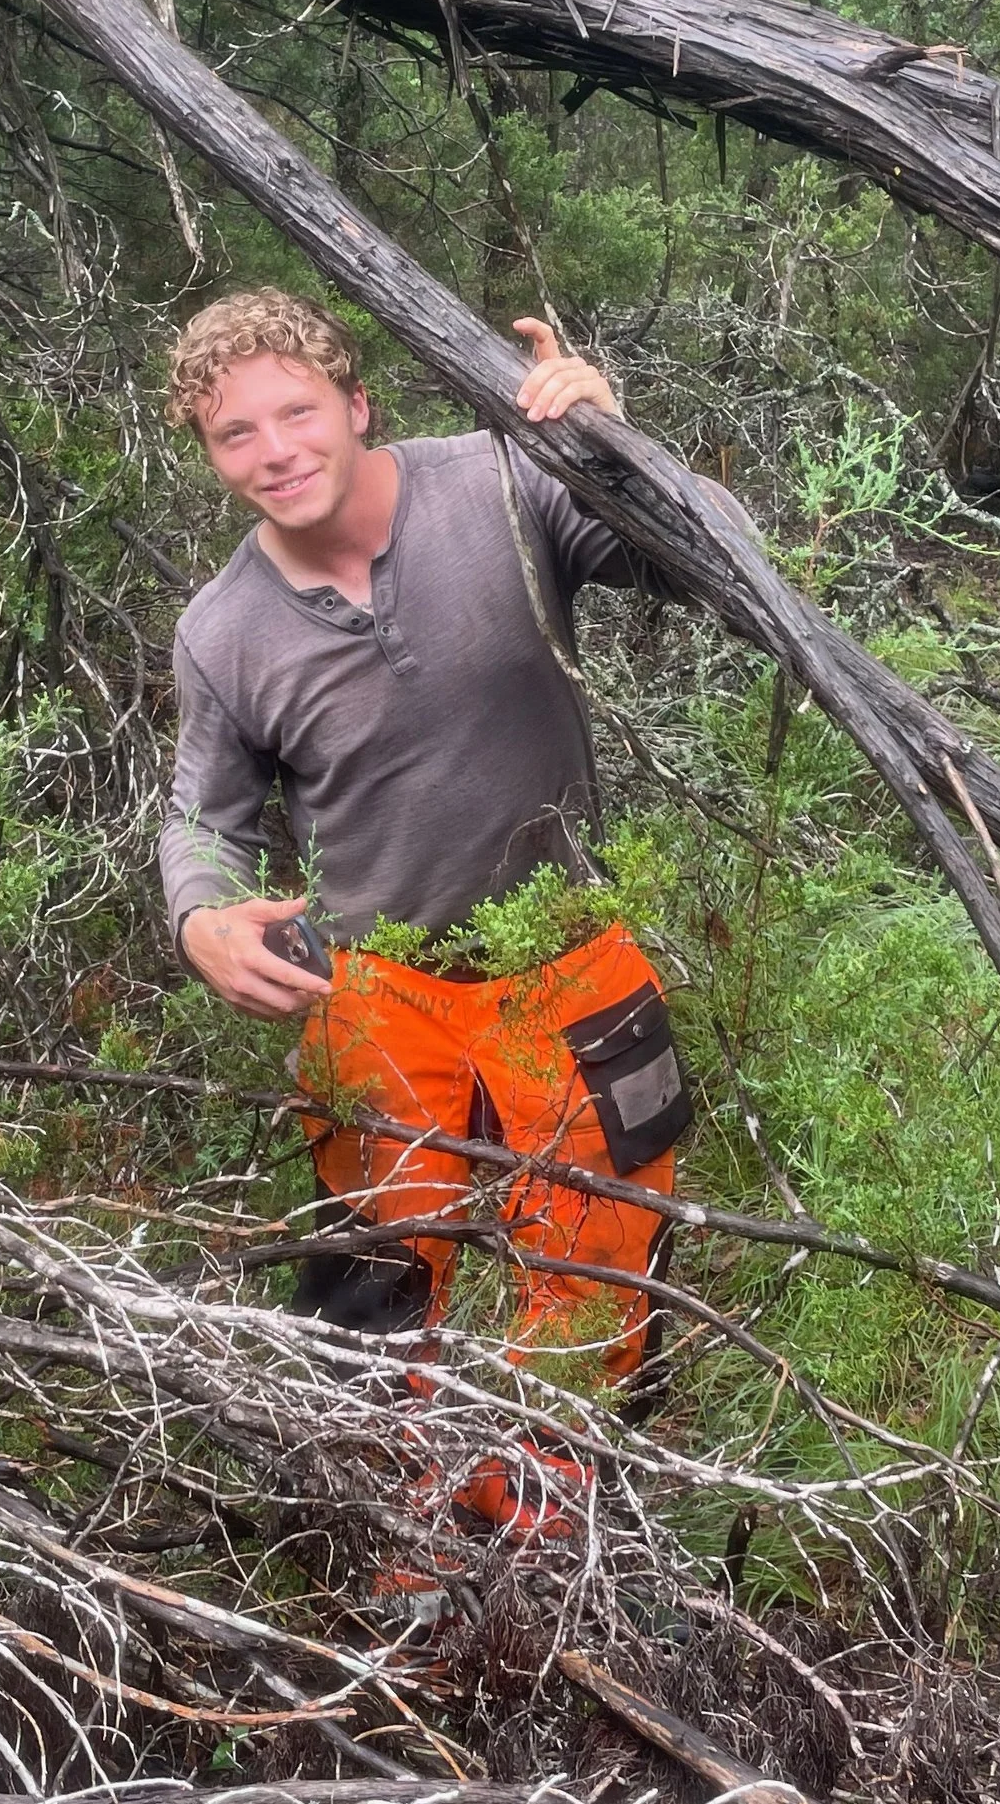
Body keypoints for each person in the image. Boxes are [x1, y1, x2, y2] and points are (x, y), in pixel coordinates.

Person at [158, 285, 693, 1537]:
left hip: (571, 972)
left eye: (297, 412)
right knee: (372, 1312)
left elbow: (715, 568)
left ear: (356, 404)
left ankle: (556, 1557)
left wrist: (614, 446)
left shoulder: (504, 487)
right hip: (380, 997)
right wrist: (202, 922)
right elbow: (204, 818)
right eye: (234, 434)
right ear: (207, 453)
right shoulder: (223, 631)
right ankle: (403, 1560)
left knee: (598, 1281)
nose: (275, 451)